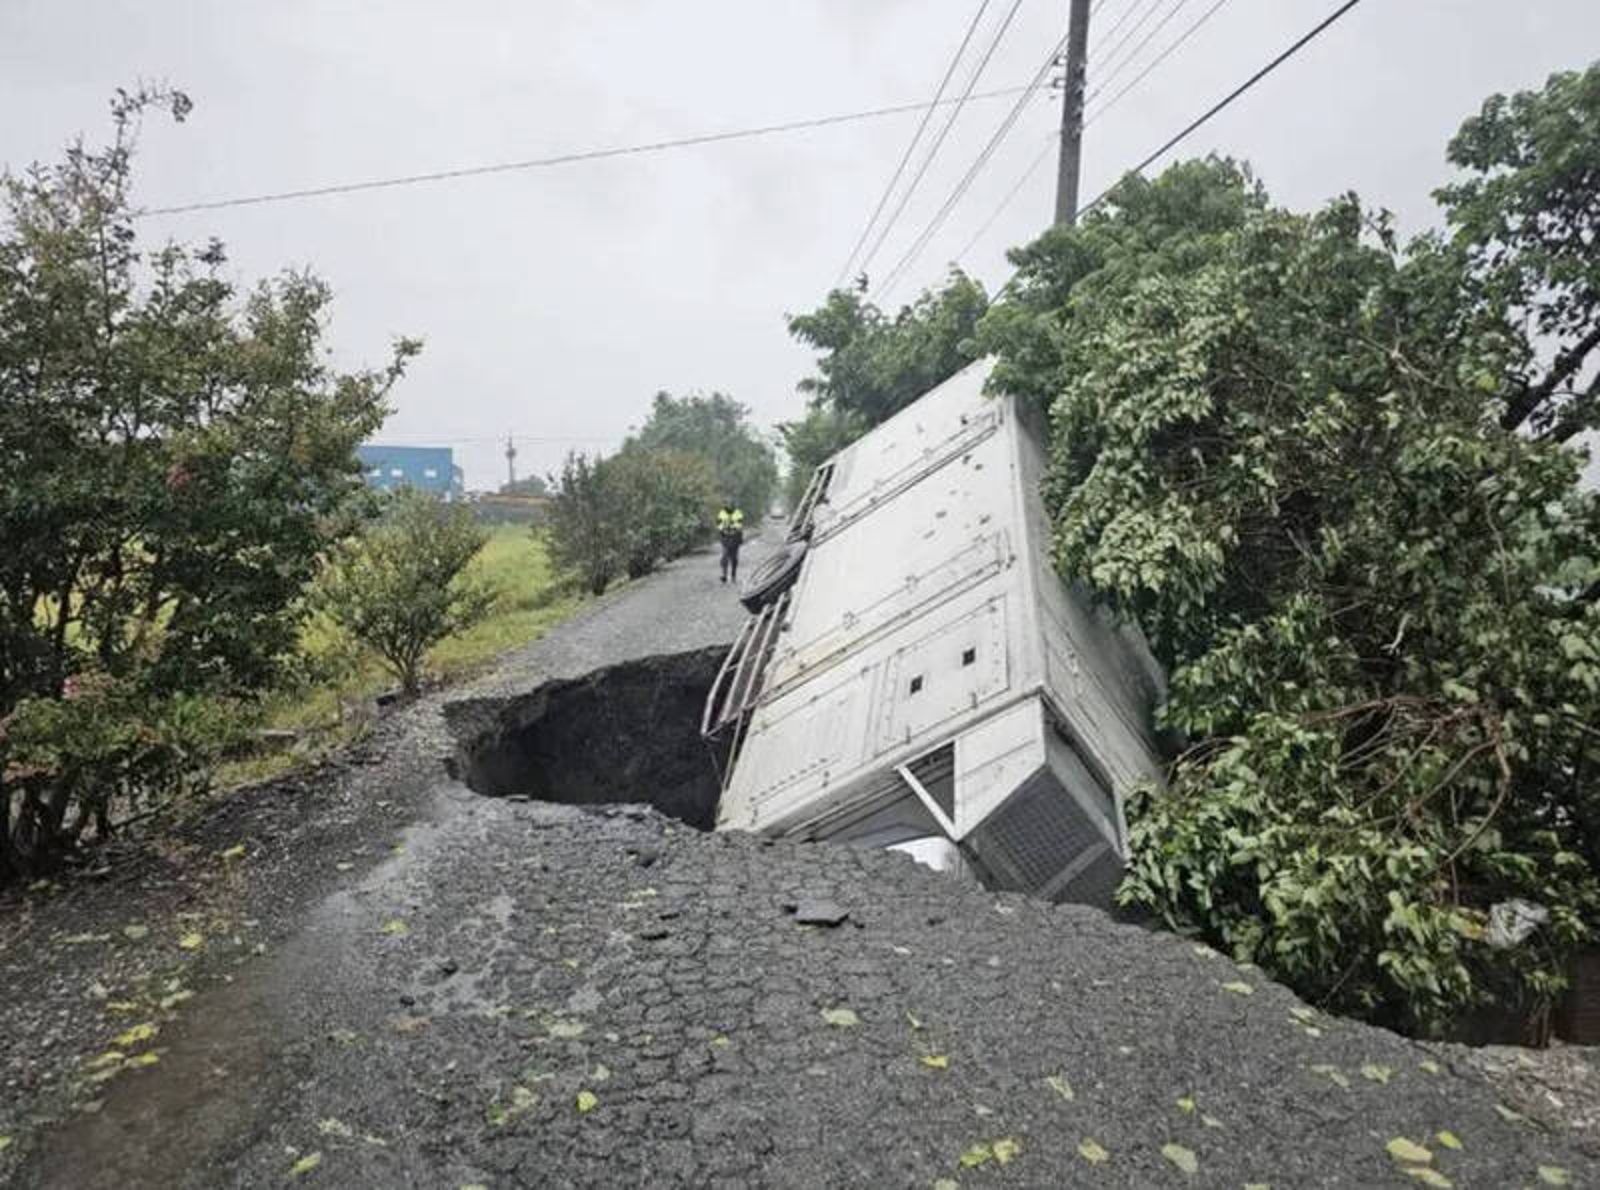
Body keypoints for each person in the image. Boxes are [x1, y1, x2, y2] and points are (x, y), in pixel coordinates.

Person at [716, 500, 744, 584]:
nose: (729, 506)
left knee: (734, 558)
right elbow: (718, 524)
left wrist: (733, 529)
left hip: (735, 538)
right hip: (725, 538)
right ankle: (724, 575)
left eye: (731, 504)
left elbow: (739, 525)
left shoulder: (738, 512)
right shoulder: (721, 513)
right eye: (727, 504)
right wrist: (723, 530)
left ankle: (733, 575)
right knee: (724, 556)